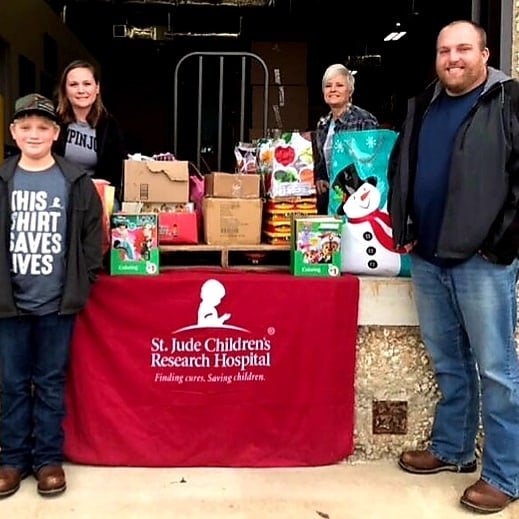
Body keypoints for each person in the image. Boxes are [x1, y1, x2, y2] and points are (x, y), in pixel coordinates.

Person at [388, 20, 519, 514]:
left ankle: (506, 475)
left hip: (482, 261)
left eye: (463, 48)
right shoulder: (424, 103)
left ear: (485, 53)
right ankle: (453, 449)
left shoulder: (508, 99)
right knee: (449, 362)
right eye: (445, 50)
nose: (453, 58)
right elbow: (403, 165)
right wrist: (403, 225)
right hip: (428, 255)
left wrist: (501, 242)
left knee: (498, 371)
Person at [0, 93, 103, 498]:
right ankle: (11, 460)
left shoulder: (74, 181)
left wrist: (83, 279)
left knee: (49, 382)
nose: (34, 134)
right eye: (25, 127)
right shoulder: (3, 179)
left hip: (57, 303)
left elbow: (93, 238)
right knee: (9, 382)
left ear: (57, 133)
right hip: (9, 304)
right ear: (13, 132)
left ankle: (46, 459)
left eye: (43, 127)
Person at [54, 59, 126, 200]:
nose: (81, 90)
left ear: (97, 88)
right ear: (64, 90)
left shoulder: (109, 125)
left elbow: (118, 172)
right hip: (60, 194)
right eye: (74, 85)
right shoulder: (53, 122)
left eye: (87, 84)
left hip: (98, 196)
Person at [313, 63, 379, 214]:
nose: (333, 89)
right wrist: (321, 177)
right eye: (328, 86)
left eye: (339, 85)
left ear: (350, 91)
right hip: (332, 200)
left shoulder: (364, 120)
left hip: (359, 201)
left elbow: (372, 165)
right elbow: (322, 162)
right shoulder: (323, 124)